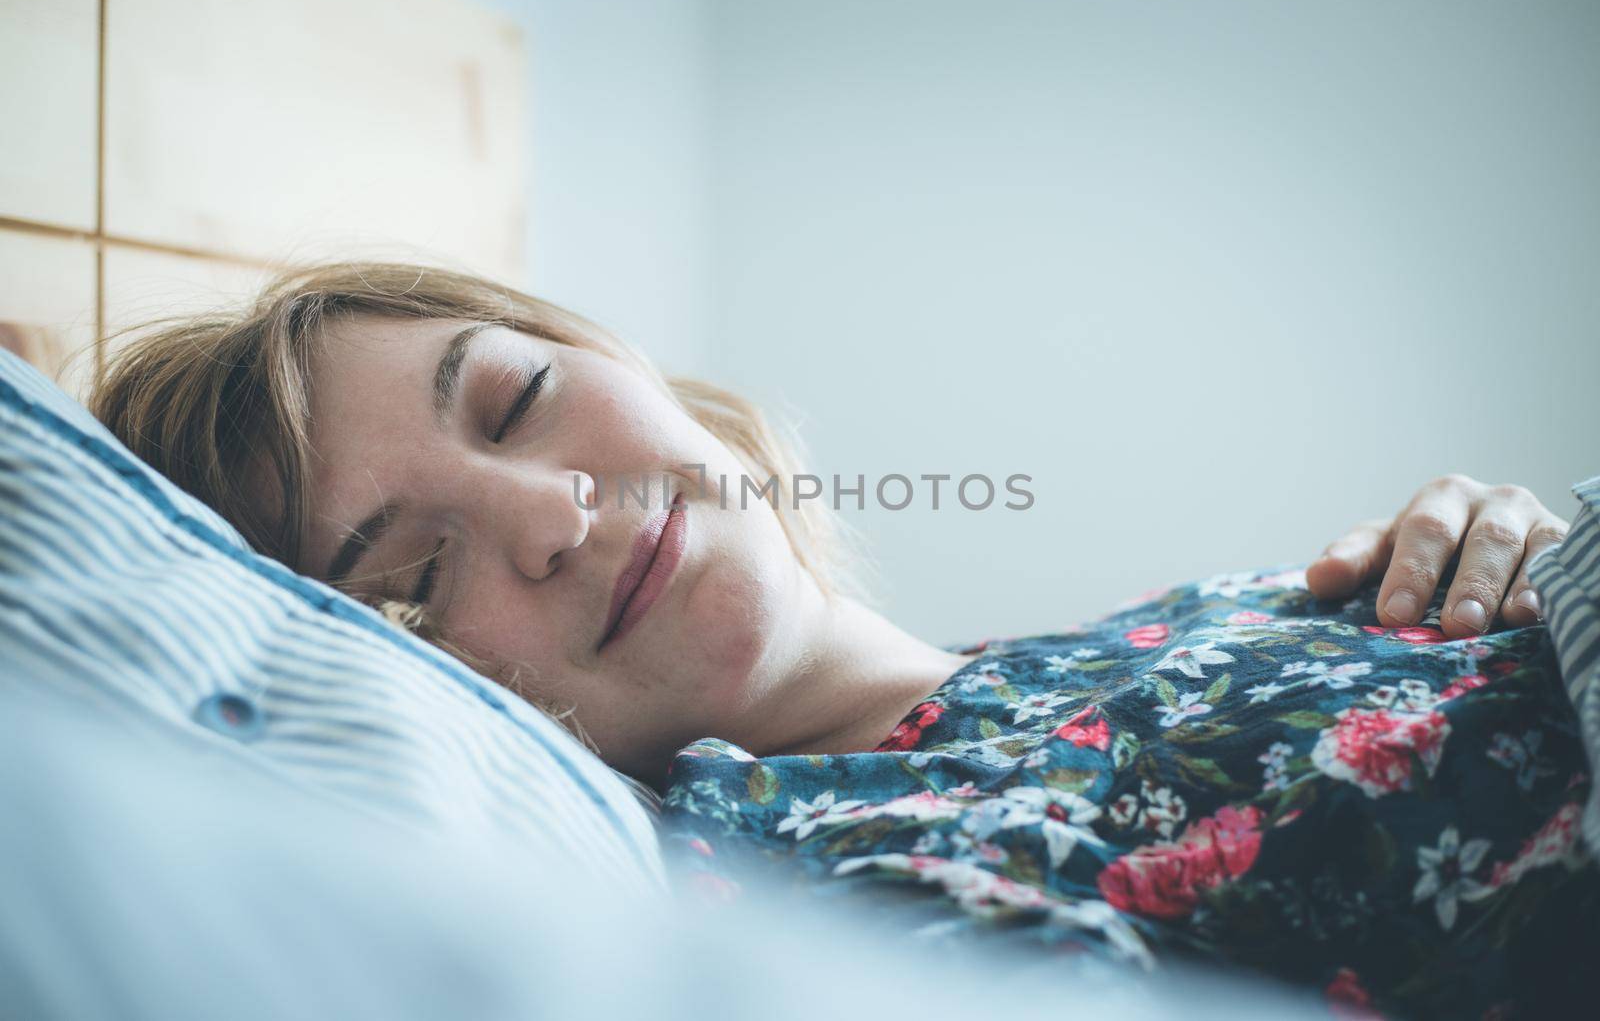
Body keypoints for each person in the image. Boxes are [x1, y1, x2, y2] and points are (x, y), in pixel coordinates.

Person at [94, 262, 1595, 1019]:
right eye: (415, 579)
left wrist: (1535, 550)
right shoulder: (770, 905)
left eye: (515, 403)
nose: (551, 513)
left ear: (632, 365)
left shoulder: (1165, 621)